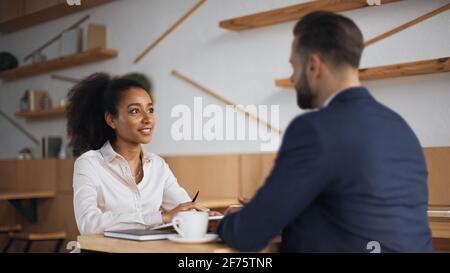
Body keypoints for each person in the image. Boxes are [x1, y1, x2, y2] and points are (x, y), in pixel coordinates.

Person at [216, 11, 433, 252]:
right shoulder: (401, 128)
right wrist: (270, 212)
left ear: (313, 66)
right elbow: (356, 213)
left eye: (294, 66)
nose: (292, 77)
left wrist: (225, 222)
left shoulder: (313, 130)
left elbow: (247, 234)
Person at [68, 73, 213, 235]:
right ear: (111, 120)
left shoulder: (158, 165)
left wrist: (213, 219)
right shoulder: (89, 163)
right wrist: (161, 218)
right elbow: (89, 225)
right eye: (135, 111)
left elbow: (184, 209)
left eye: (150, 109)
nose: (148, 119)